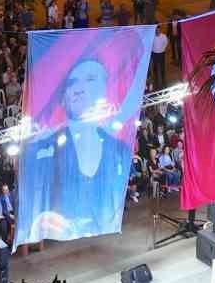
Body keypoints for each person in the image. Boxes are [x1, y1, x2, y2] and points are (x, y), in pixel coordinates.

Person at [18, 57, 136, 243]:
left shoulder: (120, 150)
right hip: (61, 247)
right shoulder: (39, 150)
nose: (79, 89)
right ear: (64, 98)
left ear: (105, 91)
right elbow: (27, 204)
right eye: (72, 83)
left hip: (107, 240)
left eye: (90, 80)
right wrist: (35, 226)